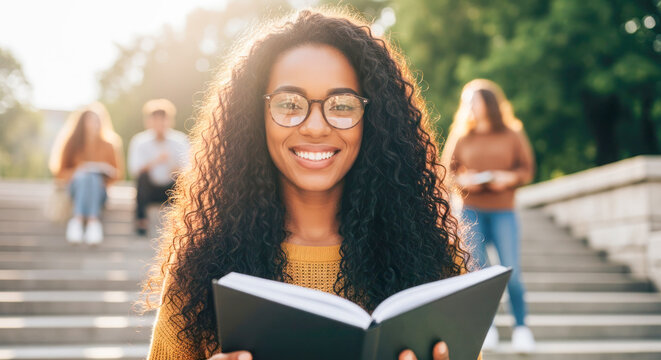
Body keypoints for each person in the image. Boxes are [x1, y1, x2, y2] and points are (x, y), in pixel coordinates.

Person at [144, 9, 482, 360]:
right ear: (253, 117)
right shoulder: (201, 269)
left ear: (375, 120)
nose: (316, 127)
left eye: (342, 105)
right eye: (289, 103)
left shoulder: (434, 263)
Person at [441, 79, 536, 353]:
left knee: (512, 272)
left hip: (503, 210)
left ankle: (521, 327)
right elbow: (447, 174)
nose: (470, 105)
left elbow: (526, 170)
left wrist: (508, 178)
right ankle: (487, 328)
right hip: (470, 211)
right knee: (478, 274)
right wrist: (464, 181)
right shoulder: (461, 136)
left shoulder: (512, 133)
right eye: (467, 101)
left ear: (489, 103)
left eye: (475, 100)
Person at [49, 102, 124, 244]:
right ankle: (92, 221)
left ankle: (79, 221)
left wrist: (103, 171)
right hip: (75, 190)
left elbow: (118, 175)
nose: (93, 124)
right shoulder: (71, 143)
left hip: (100, 192)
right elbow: (59, 174)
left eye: (96, 120)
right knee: (86, 176)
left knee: (93, 178)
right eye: (90, 120)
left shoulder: (110, 144)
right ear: (81, 122)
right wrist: (78, 170)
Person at [128, 99, 190, 236]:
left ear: (169, 121)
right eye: (155, 120)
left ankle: (181, 220)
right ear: (149, 122)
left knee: (182, 179)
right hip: (149, 188)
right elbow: (135, 170)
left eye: (163, 120)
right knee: (142, 178)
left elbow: (188, 168)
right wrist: (156, 161)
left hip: (172, 187)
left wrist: (174, 167)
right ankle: (141, 221)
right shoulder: (140, 141)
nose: (159, 124)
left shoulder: (180, 140)